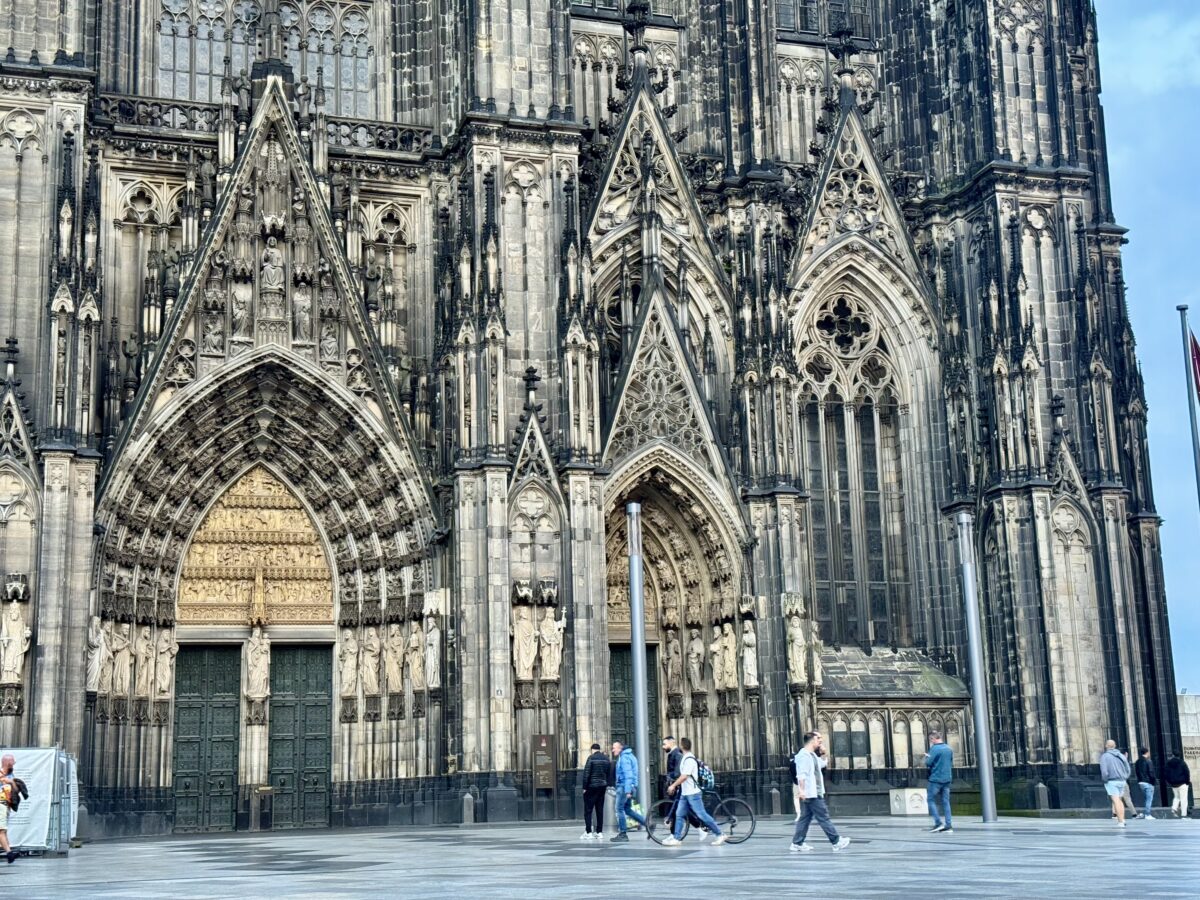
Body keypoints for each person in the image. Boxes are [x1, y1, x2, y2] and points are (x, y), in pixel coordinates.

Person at [789, 731, 851, 853]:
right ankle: (836, 841)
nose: (820, 741)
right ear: (812, 740)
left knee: (805, 819)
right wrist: (802, 791)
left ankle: (797, 843)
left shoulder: (812, 755)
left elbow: (822, 764)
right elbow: (801, 775)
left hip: (814, 792)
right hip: (811, 793)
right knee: (824, 817)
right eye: (819, 739)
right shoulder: (804, 756)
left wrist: (823, 753)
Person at [662, 737, 726, 847]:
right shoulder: (685, 758)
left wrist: (673, 785)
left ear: (682, 746)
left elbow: (684, 777)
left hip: (693, 793)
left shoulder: (689, 759)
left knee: (702, 815)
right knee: (679, 814)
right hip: (685, 793)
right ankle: (677, 838)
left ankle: (720, 834)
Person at [610, 741, 648, 842]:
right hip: (629, 787)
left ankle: (623, 834)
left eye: (614, 748)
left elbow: (628, 775)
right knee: (627, 809)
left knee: (619, 809)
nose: (612, 750)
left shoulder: (624, 758)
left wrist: (627, 791)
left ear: (620, 748)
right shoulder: (630, 756)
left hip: (623, 787)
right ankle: (647, 824)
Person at [924, 730, 954, 833]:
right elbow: (950, 763)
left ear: (933, 738)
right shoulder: (949, 749)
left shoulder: (934, 749)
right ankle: (948, 825)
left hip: (936, 779)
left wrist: (927, 756)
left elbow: (928, 763)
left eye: (930, 740)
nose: (930, 742)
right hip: (947, 779)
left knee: (930, 800)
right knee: (946, 802)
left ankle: (938, 823)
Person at [580, 742, 610, 840]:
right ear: (599, 749)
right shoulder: (606, 759)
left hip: (591, 787)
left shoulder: (591, 758)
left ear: (592, 750)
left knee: (588, 810)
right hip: (602, 786)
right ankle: (599, 832)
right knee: (599, 810)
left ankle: (588, 832)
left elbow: (586, 773)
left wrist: (584, 787)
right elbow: (608, 773)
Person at [1099, 739, 1132, 827]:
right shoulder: (1121, 755)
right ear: (1115, 746)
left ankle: (1120, 821)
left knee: (1116, 800)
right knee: (1120, 800)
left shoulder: (1105, 756)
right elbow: (1128, 768)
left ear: (1106, 746)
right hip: (1122, 780)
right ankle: (1122, 819)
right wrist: (1125, 777)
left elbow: (1104, 771)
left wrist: (1105, 780)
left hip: (1112, 781)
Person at [0, 753, 24, 863]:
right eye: (13, 762)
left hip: (6, 806)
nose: (14, 764)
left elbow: (16, 791)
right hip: (1, 804)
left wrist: (11, 783)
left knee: (3, 830)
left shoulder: (11, 776)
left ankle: (10, 853)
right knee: (1, 830)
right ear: (8, 762)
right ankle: (9, 854)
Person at [1164, 750, 1191, 818]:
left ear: (1173, 755)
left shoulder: (1168, 763)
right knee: (1183, 799)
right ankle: (1184, 814)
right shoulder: (1182, 763)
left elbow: (1166, 774)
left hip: (1174, 784)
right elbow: (1187, 773)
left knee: (1176, 797)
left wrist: (1170, 782)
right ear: (1179, 755)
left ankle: (1174, 808)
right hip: (1182, 783)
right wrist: (1187, 782)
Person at [1135, 746, 1157, 820]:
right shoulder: (1148, 761)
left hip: (1141, 782)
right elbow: (1151, 772)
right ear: (1147, 752)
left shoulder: (1137, 761)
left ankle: (1146, 814)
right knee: (1149, 799)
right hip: (1148, 782)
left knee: (1146, 798)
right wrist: (1153, 782)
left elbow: (1137, 772)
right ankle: (1147, 814)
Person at [789, 748, 802, 820]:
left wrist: (795, 781)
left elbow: (791, 774)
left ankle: (799, 813)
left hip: (797, 782)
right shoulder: (800, 762)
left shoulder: (792, 763)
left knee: (796, 798)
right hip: (801, 781)